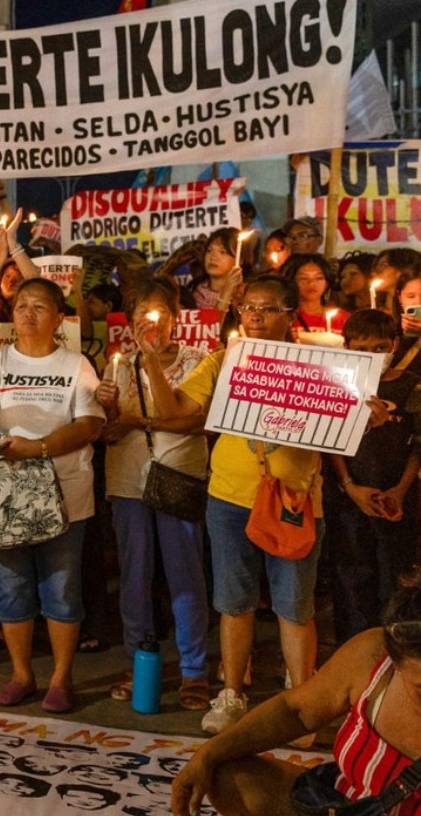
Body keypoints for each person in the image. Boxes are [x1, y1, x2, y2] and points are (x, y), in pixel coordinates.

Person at [141, 275, 328, 737]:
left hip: (295, 500)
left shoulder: (319, 368)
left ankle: (300, 702)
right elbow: (173, 411)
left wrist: (368, 410)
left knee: (293, 607)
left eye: (268, 309)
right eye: (249, 309)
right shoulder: (223, 362)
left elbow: (347, 428)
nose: (257, 316)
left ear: (290, 316)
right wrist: (149, 363)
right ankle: (232, 695)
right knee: (233, 601)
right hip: (228, 497)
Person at [0, 278, 105, 713]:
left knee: (61, 588)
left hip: (65, 491)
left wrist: (38, 449)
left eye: (39, 307)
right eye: (21, 305)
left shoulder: (76, 364)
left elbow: (89, 425)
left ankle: (61, 677)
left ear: (59, 318)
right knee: (13, 586)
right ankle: (22, 673)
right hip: (6, 494)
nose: (27, 313)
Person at [171, 577, 421, 816]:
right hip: (348, 807)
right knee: (226, 775)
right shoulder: (372, 654)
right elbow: (295, 711)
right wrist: (207, 755)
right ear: (394, 659)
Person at [94, 278, 211, 710]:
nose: (150, 320)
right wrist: (105, 406)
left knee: (185, 575)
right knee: (135, 576)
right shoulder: (118, 364)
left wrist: (138, 422)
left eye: (159, 311)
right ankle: (140, 659)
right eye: (141, 312)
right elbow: (109, 431)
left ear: (176, 319)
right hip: (128, 479)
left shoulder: (198, 360)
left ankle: (194, 669)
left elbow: (193, 421)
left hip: (178, 475)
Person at [324, 309, 421, 643]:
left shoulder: (412, 386)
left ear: (394, 344)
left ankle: (396, 656)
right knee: (352, 579)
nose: (370, 358)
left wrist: (400, 490)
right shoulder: (337, 385)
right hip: (348, 503)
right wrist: (350, 488)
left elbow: (417, 447)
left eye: (379, 349)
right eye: (360, 351)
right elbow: (329, 442)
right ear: (346, 348)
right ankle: (355, 657)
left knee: (396, 580)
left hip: (399, 503)